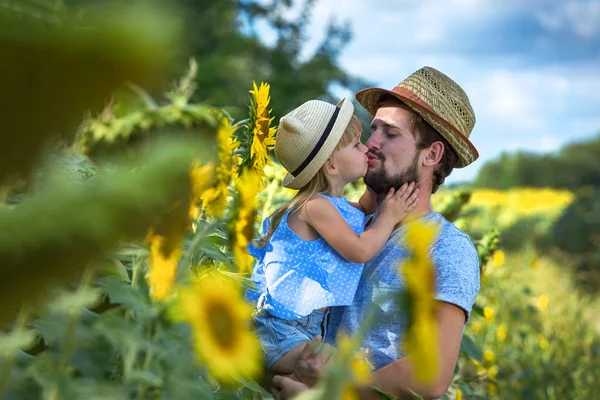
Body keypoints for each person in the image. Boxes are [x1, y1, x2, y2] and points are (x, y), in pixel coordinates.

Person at [271, 67, 481, 399]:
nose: (372, 144)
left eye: (391, 134)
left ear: (433, 154)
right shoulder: (341, 223)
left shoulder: (446, 248)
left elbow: (431, 373)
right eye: (373, 129)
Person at [246, 98, 419, 379]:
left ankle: (289, 385)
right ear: (332, 166)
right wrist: (389, 216)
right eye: (356, 145)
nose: (368, 147)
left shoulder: (336, 208)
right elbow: (361, 250)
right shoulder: (315, 207)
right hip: (282, 331)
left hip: (305, 329)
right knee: (342, 377)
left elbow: (360, 212)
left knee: (333, 376)